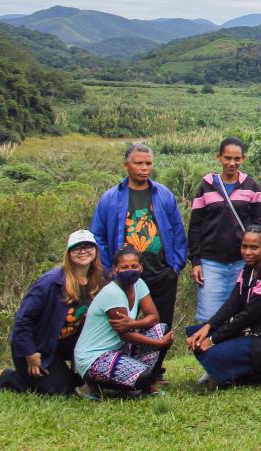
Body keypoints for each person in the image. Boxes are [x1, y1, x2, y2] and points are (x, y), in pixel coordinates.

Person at [88, 142, 185, 379]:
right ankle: (121, 369)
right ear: (126, 165)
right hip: (124, 276)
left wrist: (176, 265)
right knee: (122, 323)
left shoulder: (163, 194)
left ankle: (155, 370)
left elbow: (178, 229)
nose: (144, 168)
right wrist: (109, 269)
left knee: (160, 322)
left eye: (148, 163)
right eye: (138, 163)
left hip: (161, 271)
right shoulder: (111, 198)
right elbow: (97, 234)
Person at [186, 226, 261, 387]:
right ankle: (235, 370)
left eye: (254, 247)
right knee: (194, 334)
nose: (247, 252)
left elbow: (249, 314)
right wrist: (208, 325)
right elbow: (233, 302)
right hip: (252, 329)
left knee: (213, 354)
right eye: (244, 246)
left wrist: (212, 340)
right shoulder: (249, 267)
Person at [0, 230, 106, 395]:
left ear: (96, 250)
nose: (83, 251)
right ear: (69, 253)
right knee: (60, 391)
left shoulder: (100, 279)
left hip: (66, 344)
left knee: (82, 385)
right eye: (77, 248)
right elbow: (22, 320)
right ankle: (7, 377)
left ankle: (68, 377)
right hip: (38, 345)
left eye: (88, 246)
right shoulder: (50, 283)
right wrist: (30, 354)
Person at [72, 248, 173, 398]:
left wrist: (132, 323)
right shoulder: (113, 293)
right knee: (144, 377)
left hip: (119, 349)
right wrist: (159, 344)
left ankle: (137, 383)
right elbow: (125, 335)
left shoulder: (139, 284)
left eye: (134, 266)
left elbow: (154, 317)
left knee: (161, 329)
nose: (130, 270)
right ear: (115, 270)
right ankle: (92, 384)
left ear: (141, 268)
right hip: (95, 357)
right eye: (124, 267)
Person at [188, 137, 261, 324]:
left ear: (243, 159)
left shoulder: (251, 186)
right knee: (208, 316)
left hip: (242, 262)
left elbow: (259, 223)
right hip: (211, 263)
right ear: (219, 158)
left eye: (237, 159)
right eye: (227, 158)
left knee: (239, 316)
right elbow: (195, 226)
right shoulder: (206, 186)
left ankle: (231, 353)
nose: (232, 163)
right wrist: (195, 261)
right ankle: (206, 351)